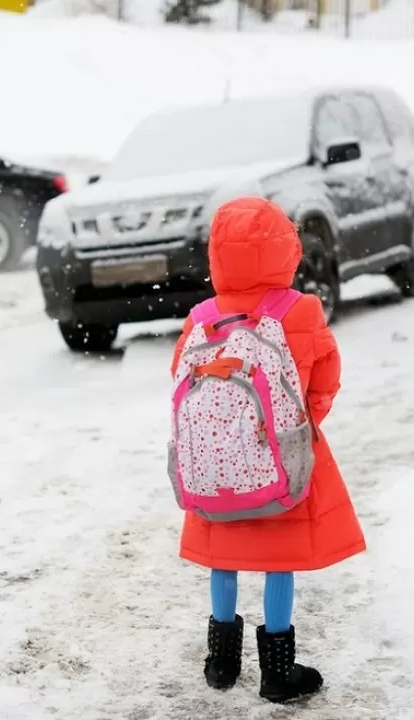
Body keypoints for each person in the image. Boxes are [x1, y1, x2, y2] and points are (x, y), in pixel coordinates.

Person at [169, 196, 366, 703]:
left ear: (216, 256)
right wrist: (295, 426)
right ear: (287, 251)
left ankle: (221, 661)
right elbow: (326, 377)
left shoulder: (200, 318)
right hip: (279, 464)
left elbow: (179, 377)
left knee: (224, 557)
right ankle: (277, 673)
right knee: (279, 560)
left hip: (214, 467)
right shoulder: (299, 311)